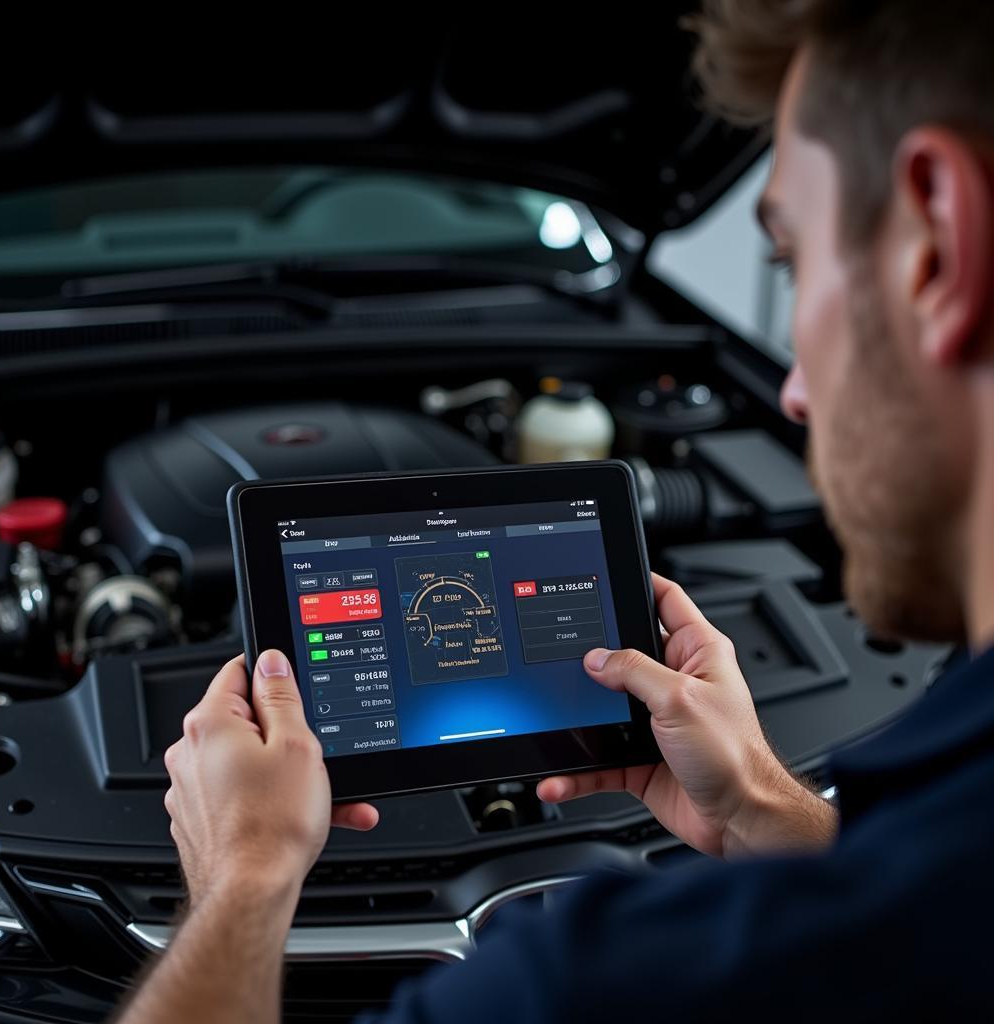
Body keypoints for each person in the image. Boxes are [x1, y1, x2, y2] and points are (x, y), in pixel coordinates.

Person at [116, 1, 994, 1019]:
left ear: (935, 237)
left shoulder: (603, 984)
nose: (792, 390)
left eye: (790, 264)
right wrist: (762, 804)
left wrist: (244, 877)